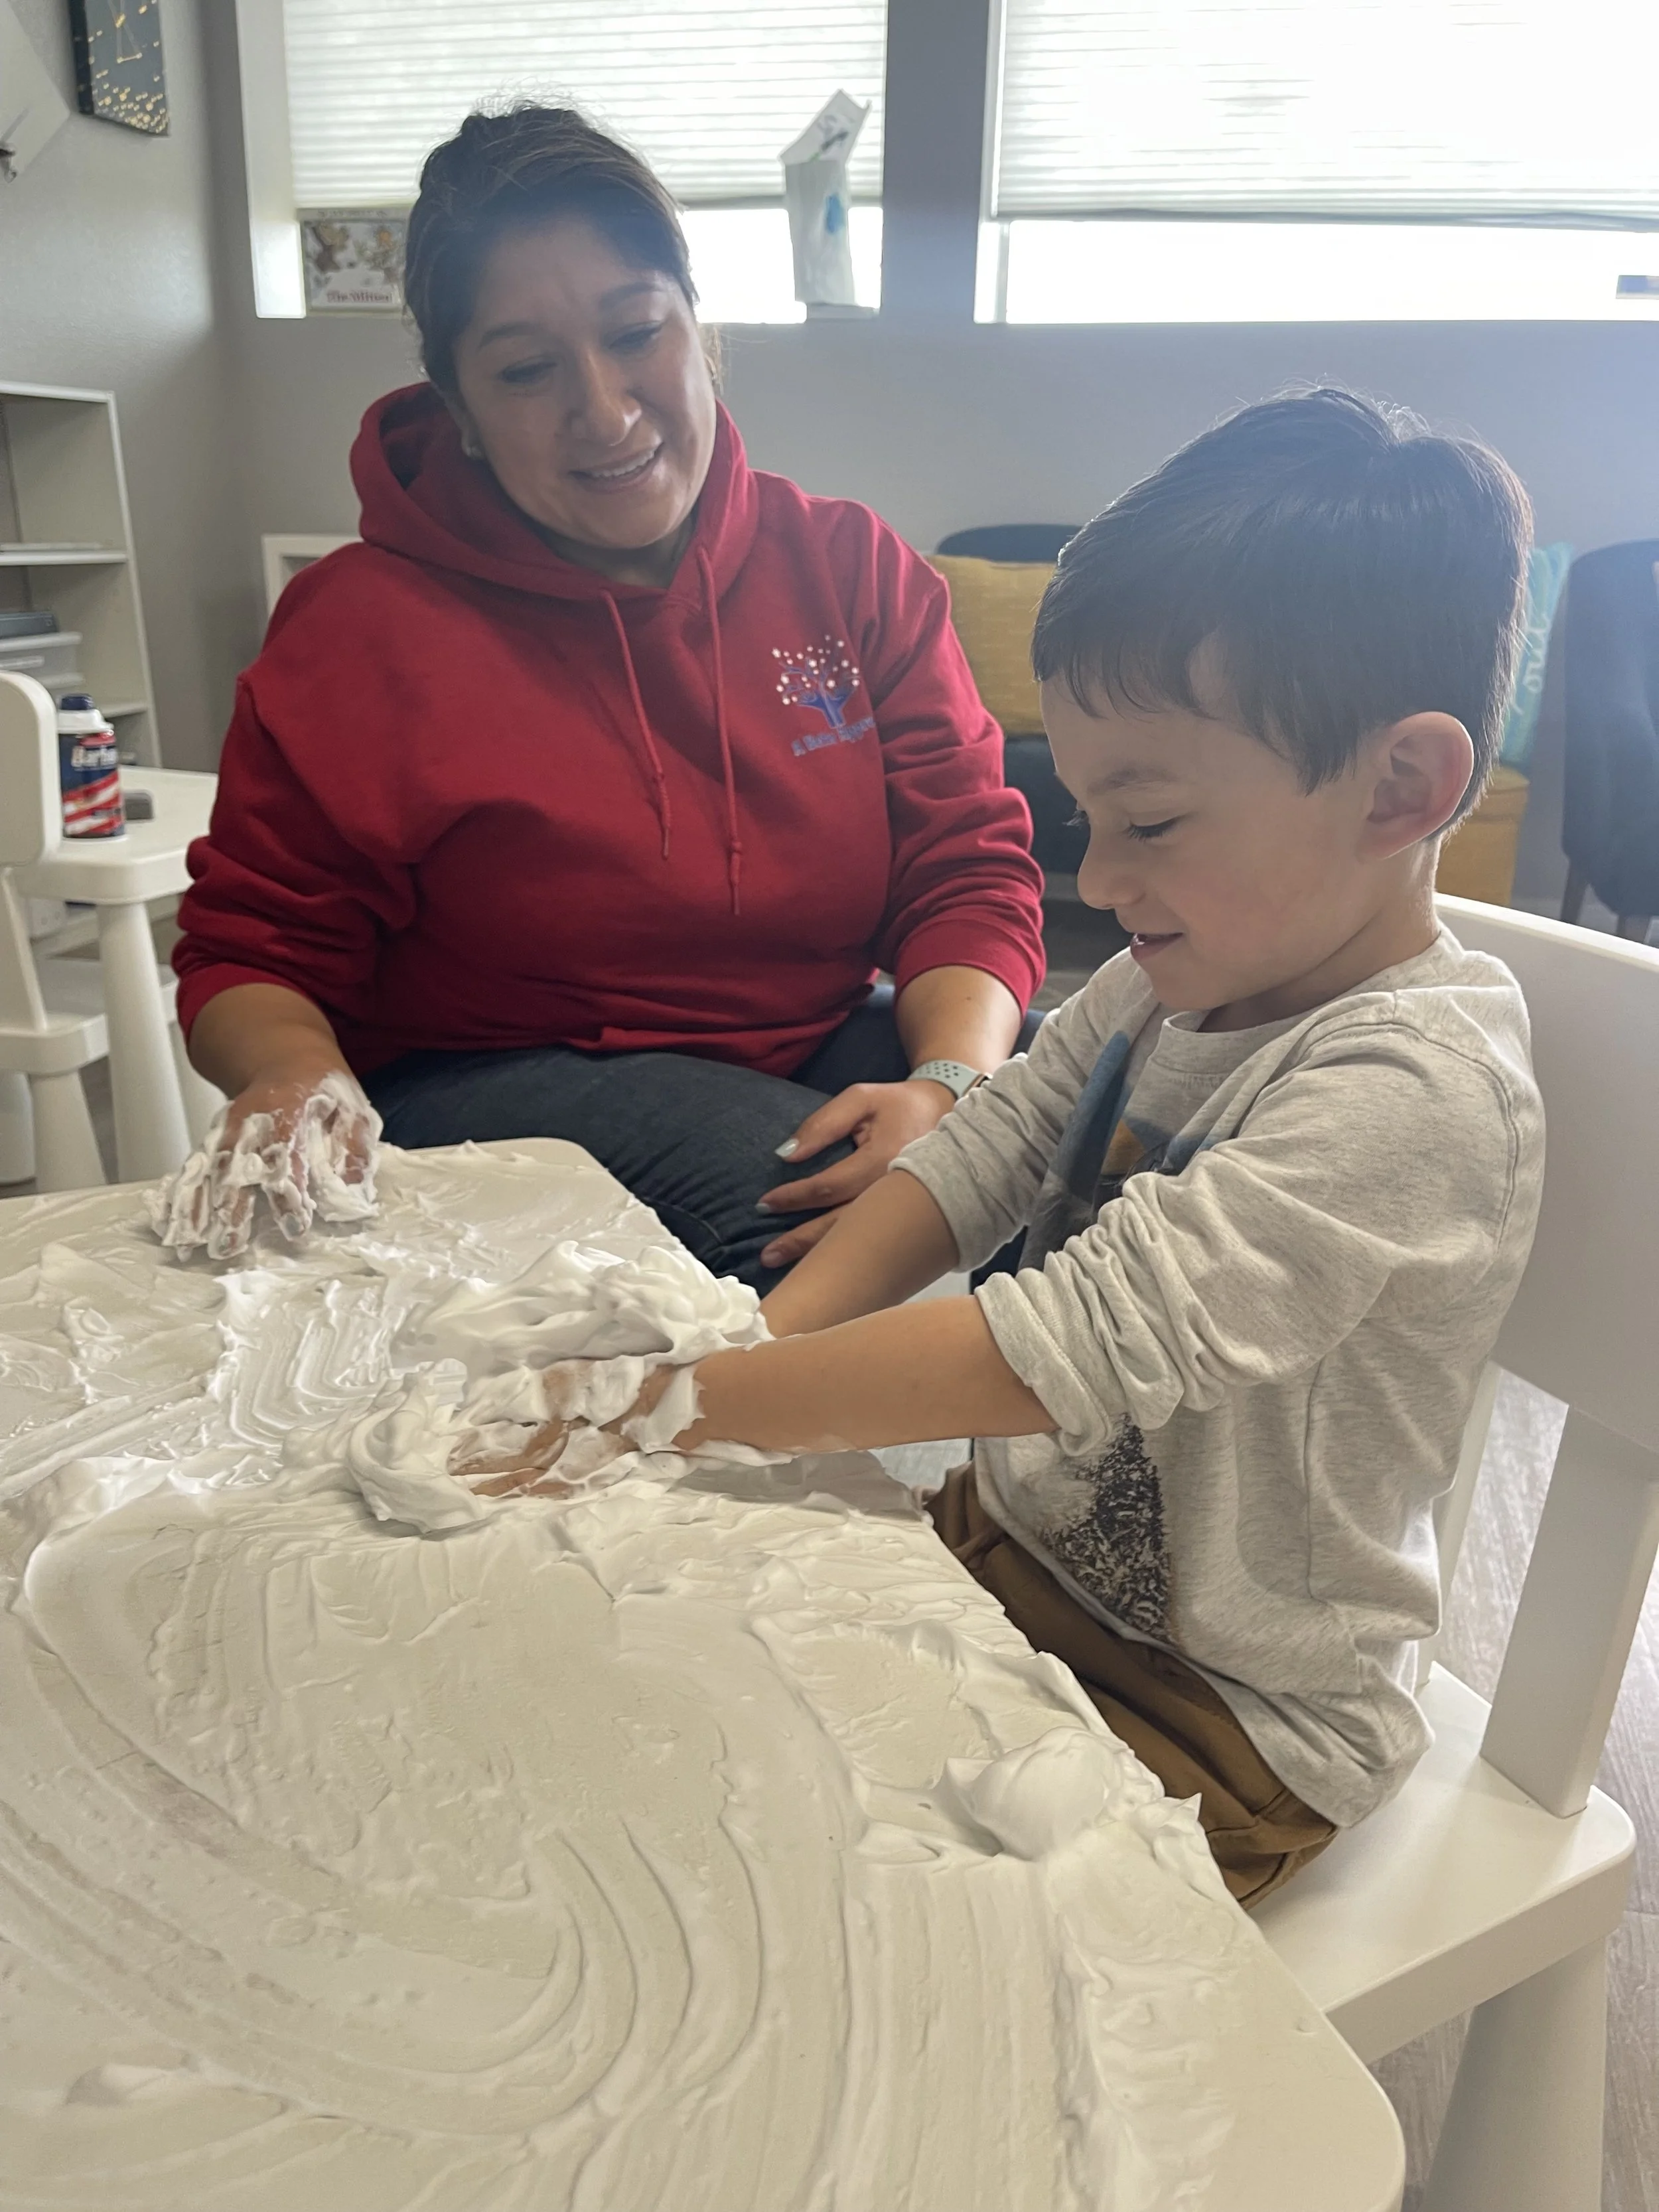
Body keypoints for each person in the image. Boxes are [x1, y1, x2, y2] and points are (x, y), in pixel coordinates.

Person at [463, 389, 1546, 1909]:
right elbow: (986, 1150)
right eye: (1084, 814)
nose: (1096, 877)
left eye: (1151, 821)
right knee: (659, 1708)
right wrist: (759, 1338)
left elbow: (1070, 1340)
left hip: (1225, 1715)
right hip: (1008, 1562)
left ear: (1400, 789)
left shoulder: (1411, 1090)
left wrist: (671, 1404)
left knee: (802, 1909)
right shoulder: (1173, 976)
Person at [164, 105, 1045, 1281]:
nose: (607, 411)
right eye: (527, 370)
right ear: (461, 409)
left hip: (812, 1034)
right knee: (822, 1236)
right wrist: (291, 1076)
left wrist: (949, 1086)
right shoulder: (360, 628)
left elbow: (966, 863)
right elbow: (253, 946)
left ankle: (1044, 1469)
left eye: (637, 333)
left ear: (700, 327)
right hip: (486, 1076)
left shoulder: (850, 568)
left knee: (1094, 1145)